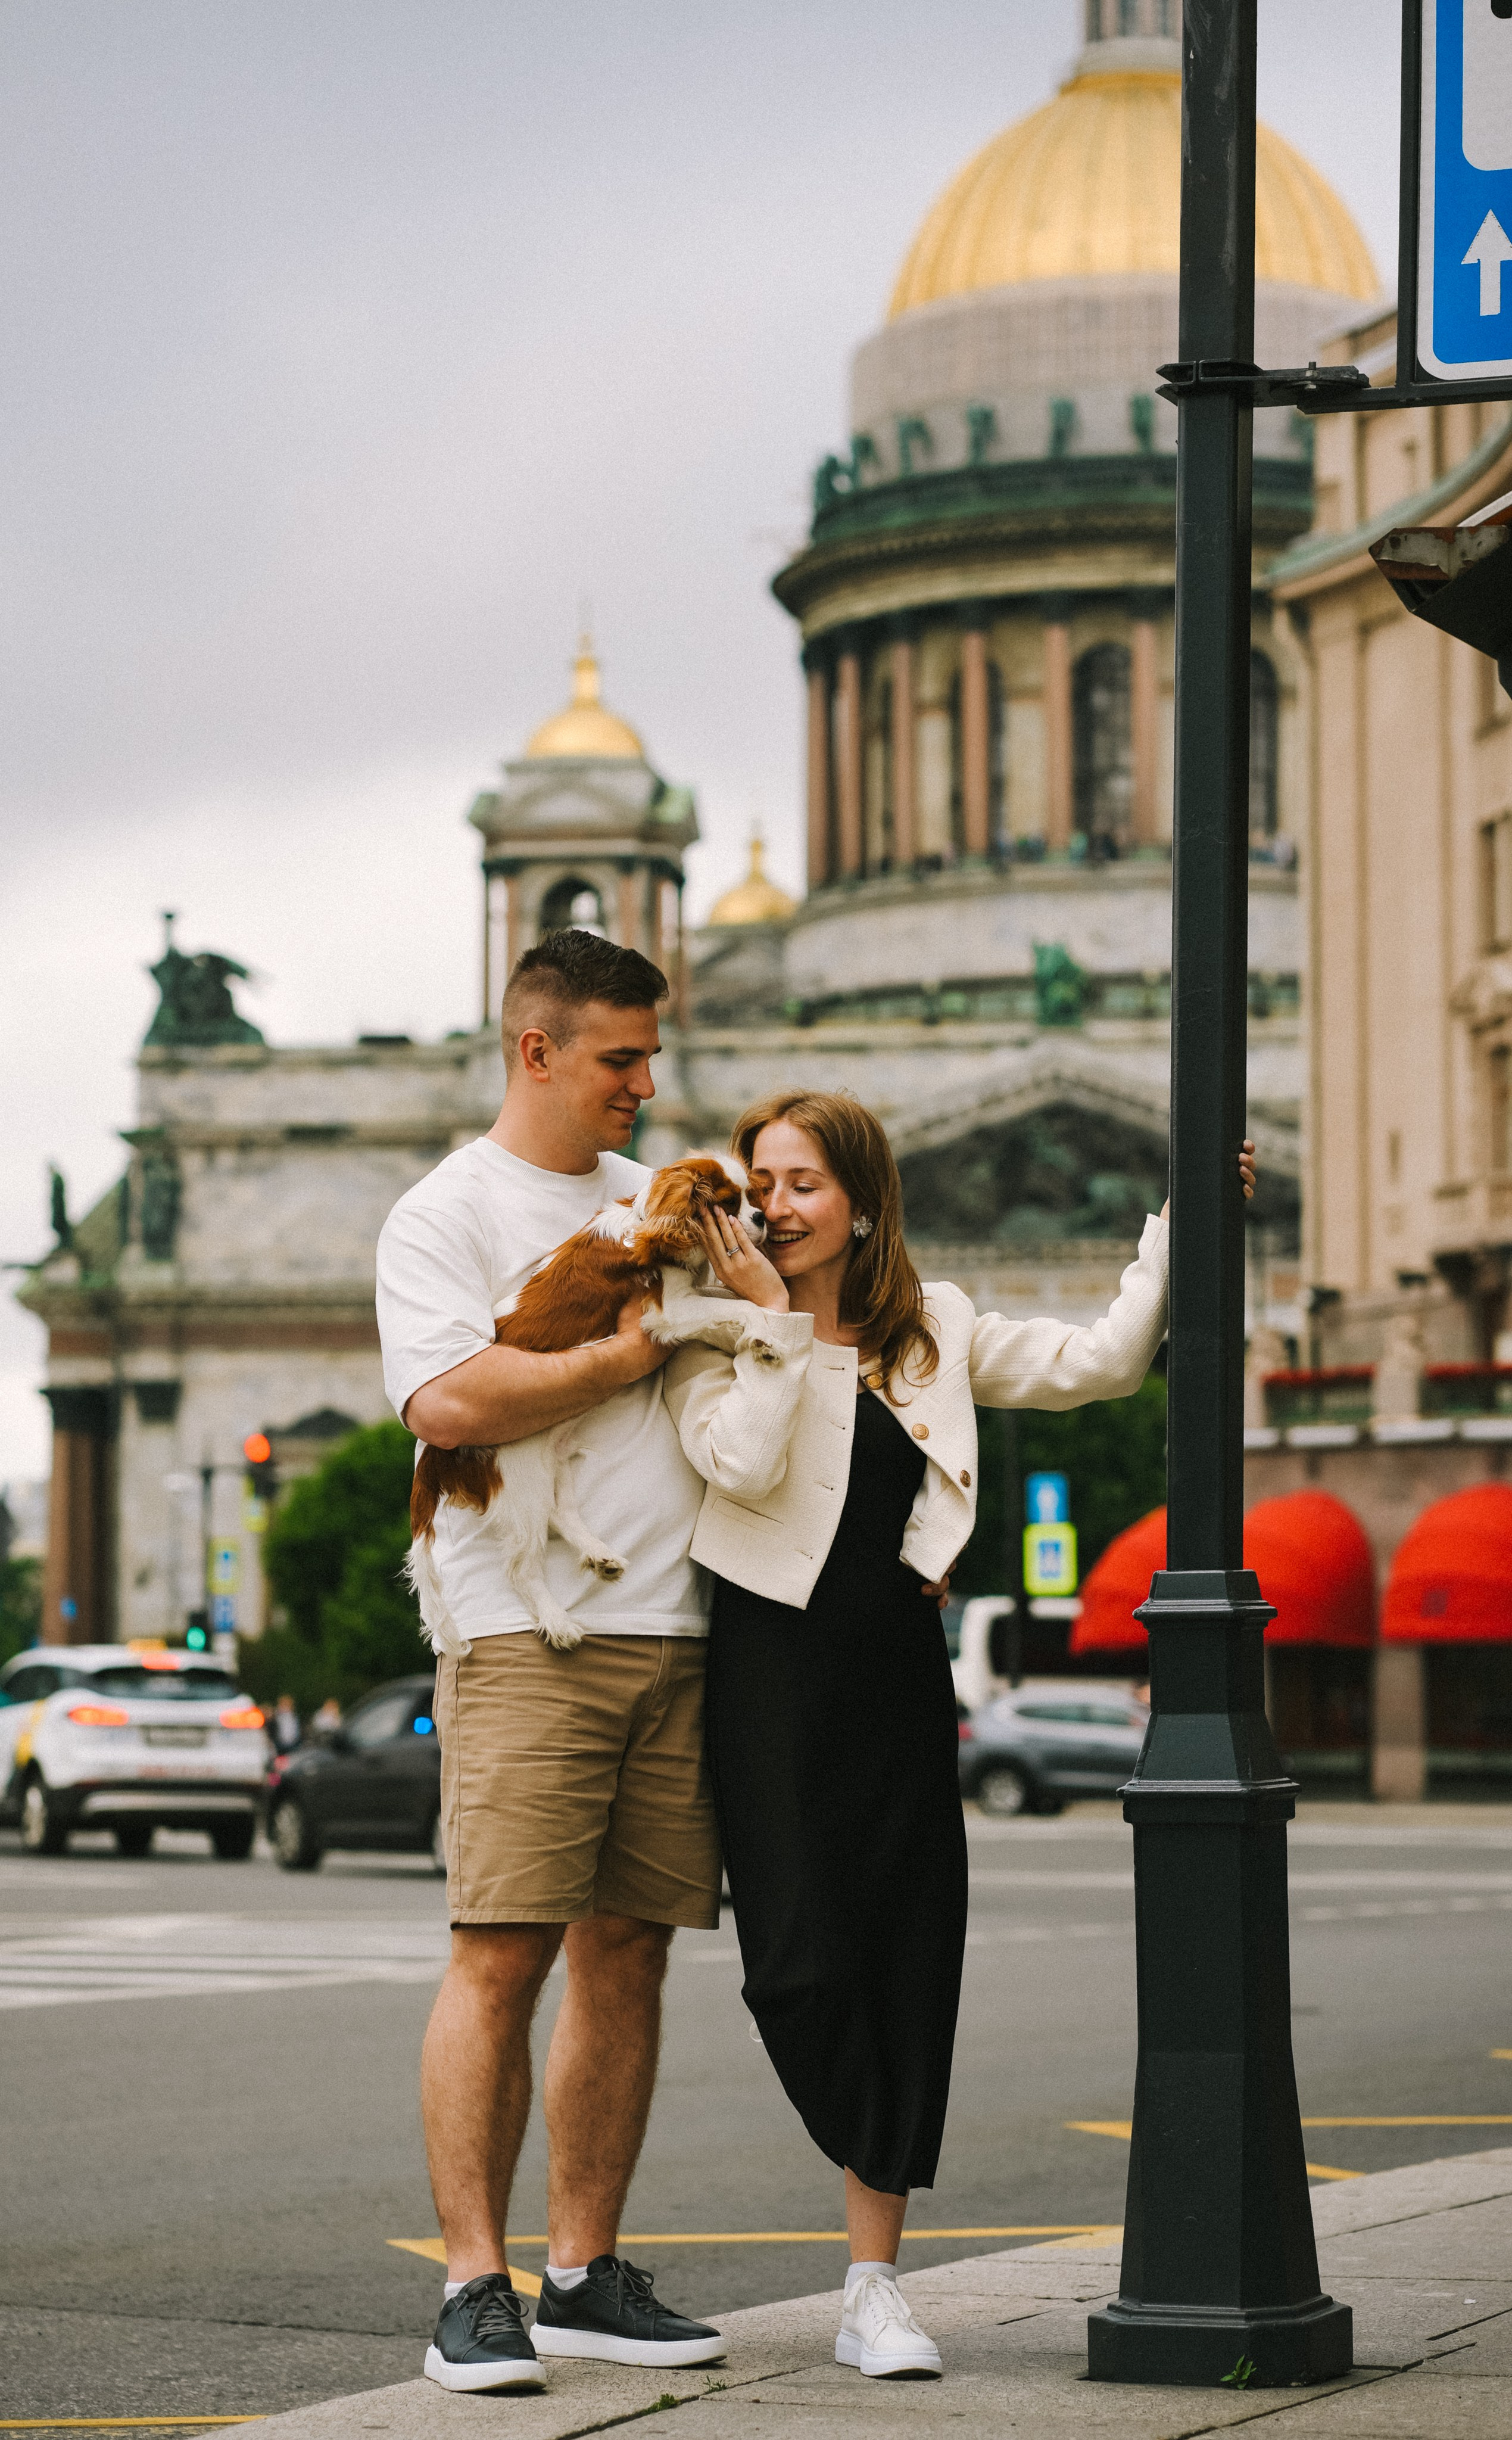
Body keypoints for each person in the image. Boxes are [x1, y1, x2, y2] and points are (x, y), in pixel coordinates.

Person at [661, 1090, 1257, 2383]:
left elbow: (1103, 1362)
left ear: (862, 1201)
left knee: (903, 1955)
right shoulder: (712, 1331)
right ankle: (850, 2138)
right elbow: (742, 1469)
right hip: (769, 1669)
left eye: (804, 1183)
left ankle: (873, 2285)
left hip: (894, 1667)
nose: (775, 1206)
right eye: (761, 1184)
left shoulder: (933, 1327)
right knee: (799, 1967)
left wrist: (1182, 1224)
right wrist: (770, 1321)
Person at [375, 930, 797, 2395]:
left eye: (651, 1055)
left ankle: (583, 2274)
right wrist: (624, 1358)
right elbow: (448, 1400)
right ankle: (470, 2287)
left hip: (680, 1628)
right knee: (501, 1951)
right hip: (521, 1627)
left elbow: (790, 1323)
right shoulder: (445, 1213)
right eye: (620, 1057)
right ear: (537, 1048)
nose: (645, 1083)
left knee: (630, 1950)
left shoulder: (668, 1194)